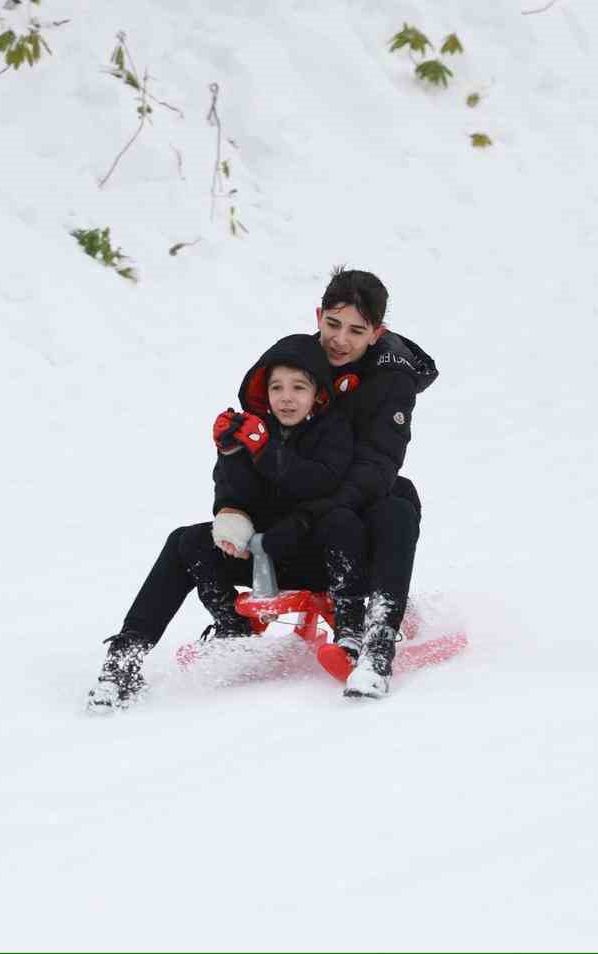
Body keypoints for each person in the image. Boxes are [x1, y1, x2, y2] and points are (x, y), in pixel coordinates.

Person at [87, 334, 364, 711]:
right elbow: (235, 498)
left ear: (317, 393)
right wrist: (231, 455)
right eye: (277, 387)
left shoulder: (333, 430)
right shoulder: (254, 430)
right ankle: (129, 656)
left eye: (298, 387)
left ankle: (352, 634)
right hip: (263, 557)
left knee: (342, 523)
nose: (286, 397)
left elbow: (320, 482)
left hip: (315, 557)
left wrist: (265, 449)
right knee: (185, 541)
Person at [302, 267, 438, 698]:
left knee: (398, 502)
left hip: (354, 500)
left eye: (356, 330)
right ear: (318, 316)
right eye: (333, 324)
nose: (340, 340)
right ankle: (234, 628)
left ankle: (377, 642)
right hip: (304, 503)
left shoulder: (392, 376)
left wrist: (330, 504)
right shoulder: (299, 360)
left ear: (377, 333)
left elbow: (381, 460)